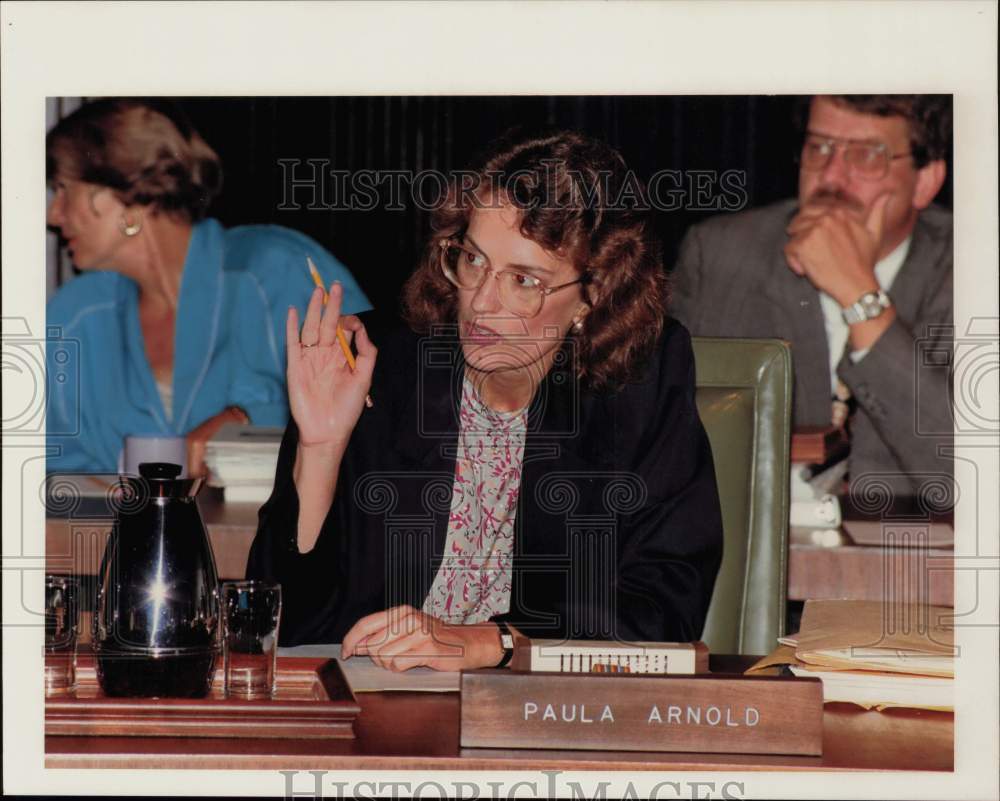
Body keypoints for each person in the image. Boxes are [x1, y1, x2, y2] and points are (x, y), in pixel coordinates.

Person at [247, 129, 723, 671]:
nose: (481, 300)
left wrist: (495, 643)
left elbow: (664, 611)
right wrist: (321, 448)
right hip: (386, 709)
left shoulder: (640, 383)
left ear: (593, 297)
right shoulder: (378, 367)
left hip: (545, 715)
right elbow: (283, 622)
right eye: (473, 260)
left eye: (523, 280)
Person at [45, 99, 370, 475]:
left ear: (128, 197)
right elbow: (49, 470)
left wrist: (243, 421)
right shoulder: (73, 314)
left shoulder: (274, 268)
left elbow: (374, 402)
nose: (53, 214)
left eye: (64, 189)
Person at [672, 95, 953, 502]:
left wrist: (859, 294)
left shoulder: (972, 266)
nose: (832, 177)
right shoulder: (718, 256)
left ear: (925, 180)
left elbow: (974, 476)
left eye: (866, 156)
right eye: (818, 147)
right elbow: (662, 450)